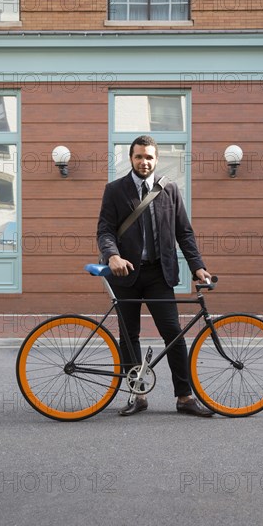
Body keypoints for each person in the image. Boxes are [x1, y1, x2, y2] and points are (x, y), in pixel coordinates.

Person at [97, 135, 214, 417]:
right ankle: (137, 396)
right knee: (129, 336)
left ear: (156, 159)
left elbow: (183, 232)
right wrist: (113, 256)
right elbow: (105, 230)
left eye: (149, 157)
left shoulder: (170, 189)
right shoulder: (114, 190)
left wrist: (196, 265)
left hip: (159, 273)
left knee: (173, 334)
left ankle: (184, 397)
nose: (144, 162)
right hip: (126, 273)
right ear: (131, 159)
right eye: (139, 156)